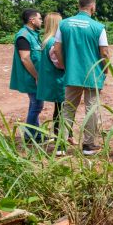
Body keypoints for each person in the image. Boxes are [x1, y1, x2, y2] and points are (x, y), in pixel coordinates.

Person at [54, 0, 109, 155]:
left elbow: (57, 49)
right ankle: (88, 145)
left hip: (72, 74)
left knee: (68, 109)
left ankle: (61, 145)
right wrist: (105, 69)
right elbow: (104, 52)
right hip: (93, 75)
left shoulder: (63, 24)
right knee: (91, 109)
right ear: (92, 7)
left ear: (79, 6)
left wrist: (66, 66)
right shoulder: (98, 27)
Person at [10, 8, 44, 142]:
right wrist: (37, 76)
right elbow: (25, 58)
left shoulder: (33, 34)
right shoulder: (23, 36)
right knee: (37, 106)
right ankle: (30, 136)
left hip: (34, 77)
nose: (41, 21)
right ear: (32, 20)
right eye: (40, 18)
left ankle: (37, 134)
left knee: (34, 104)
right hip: (31, 77)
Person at [36, 12, 65, 147]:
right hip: (58, 82)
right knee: (62, 111)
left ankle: (58, 136)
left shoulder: (46, 41)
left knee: (58, 110)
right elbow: (58, 63)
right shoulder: (54, 42)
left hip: (52, 81)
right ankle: (61, 139)